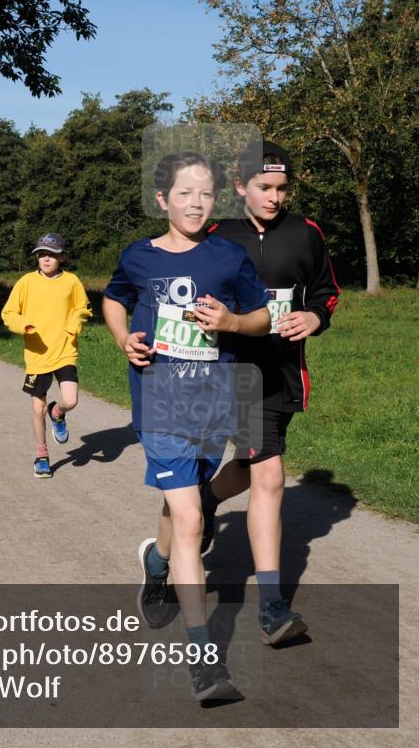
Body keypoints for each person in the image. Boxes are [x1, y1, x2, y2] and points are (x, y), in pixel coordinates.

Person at [103, 151, 270, 702]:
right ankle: (204, 662)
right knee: (193, 518)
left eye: (205, 194)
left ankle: (157, 562)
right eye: (184, 194)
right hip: (162, 401)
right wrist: (122, 338)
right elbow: (112, 299)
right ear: (162, 200)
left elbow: (261, 315)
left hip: (218, 399)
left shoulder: (228, 256)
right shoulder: (139, 256)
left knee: (186, 505)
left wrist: (233, 322)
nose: (195, 203)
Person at [201, 141, 340, 646]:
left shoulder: (306, 234)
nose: (275, 198)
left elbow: (327, 290)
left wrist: (316, 315)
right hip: (231, 371)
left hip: (282, 372)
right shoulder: (215, 236)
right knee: (271, 472)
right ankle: (273, 607)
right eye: (264, 187)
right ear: (240, 186)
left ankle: (206, 498)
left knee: (256, 463)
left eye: (283, 189)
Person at [1, 233, 92, 478]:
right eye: (42, 254)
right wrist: (23, 325)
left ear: (62, 257)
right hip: (37, 354)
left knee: (70, 400)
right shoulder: (26, 282)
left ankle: (58, 413)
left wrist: (75, 325)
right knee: (37, 409)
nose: (46, 258)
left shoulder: (72, 281)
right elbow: (8, 313)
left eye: (51, 254)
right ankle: (42, 455)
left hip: (64, 351)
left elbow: (82, 308)